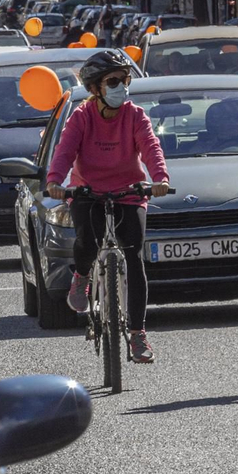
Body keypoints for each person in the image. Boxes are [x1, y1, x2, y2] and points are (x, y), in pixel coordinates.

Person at [43, 48, 171, 364]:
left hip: (129, 191)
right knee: (87, 239)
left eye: (125, 81)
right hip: (89, 191)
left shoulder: (136, 116)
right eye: (113, 81)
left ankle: (138, 335)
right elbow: (64, 151)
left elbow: (151, 148)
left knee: (134, 254)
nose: (121, 87)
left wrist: (160, 178)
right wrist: (55, 181)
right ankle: (83, 276)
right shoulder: (81, 117)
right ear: (96, 88)